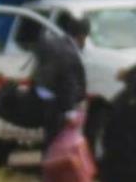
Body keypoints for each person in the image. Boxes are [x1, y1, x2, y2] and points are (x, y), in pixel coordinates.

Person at [13, 16, 88, 151]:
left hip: (44, 101)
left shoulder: (53, 43)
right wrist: (70, 111)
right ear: (82, 36)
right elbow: (69, 85)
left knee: (50, 142)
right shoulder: (69, 54)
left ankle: (47, 167)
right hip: (58, 106)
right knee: (59, 145)